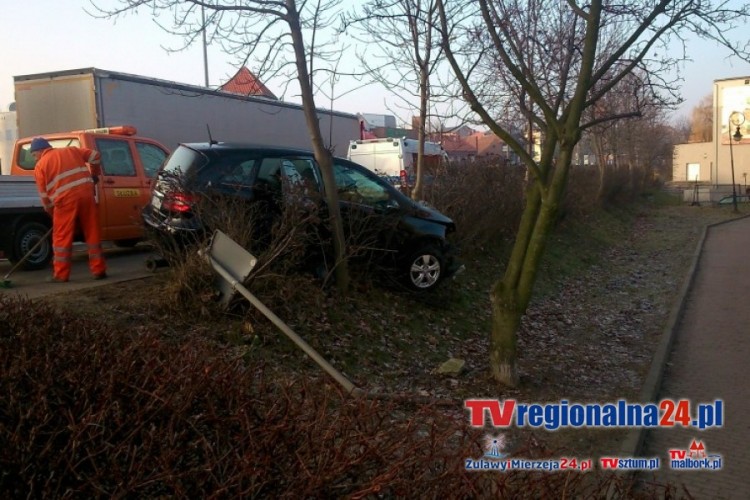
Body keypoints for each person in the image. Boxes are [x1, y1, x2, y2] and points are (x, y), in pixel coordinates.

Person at [30, 137, 107, 282]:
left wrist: (53, 214)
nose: (35, 159)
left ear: (40, 151)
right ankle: (99, 270)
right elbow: (95, 156)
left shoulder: (40, 166)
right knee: (92, 232)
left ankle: (61, 274)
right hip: (86, 195)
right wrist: (94, 175)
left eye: (34, 155)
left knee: (61, 238)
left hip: (65, 201)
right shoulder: (71, 150)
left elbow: (44, 197)